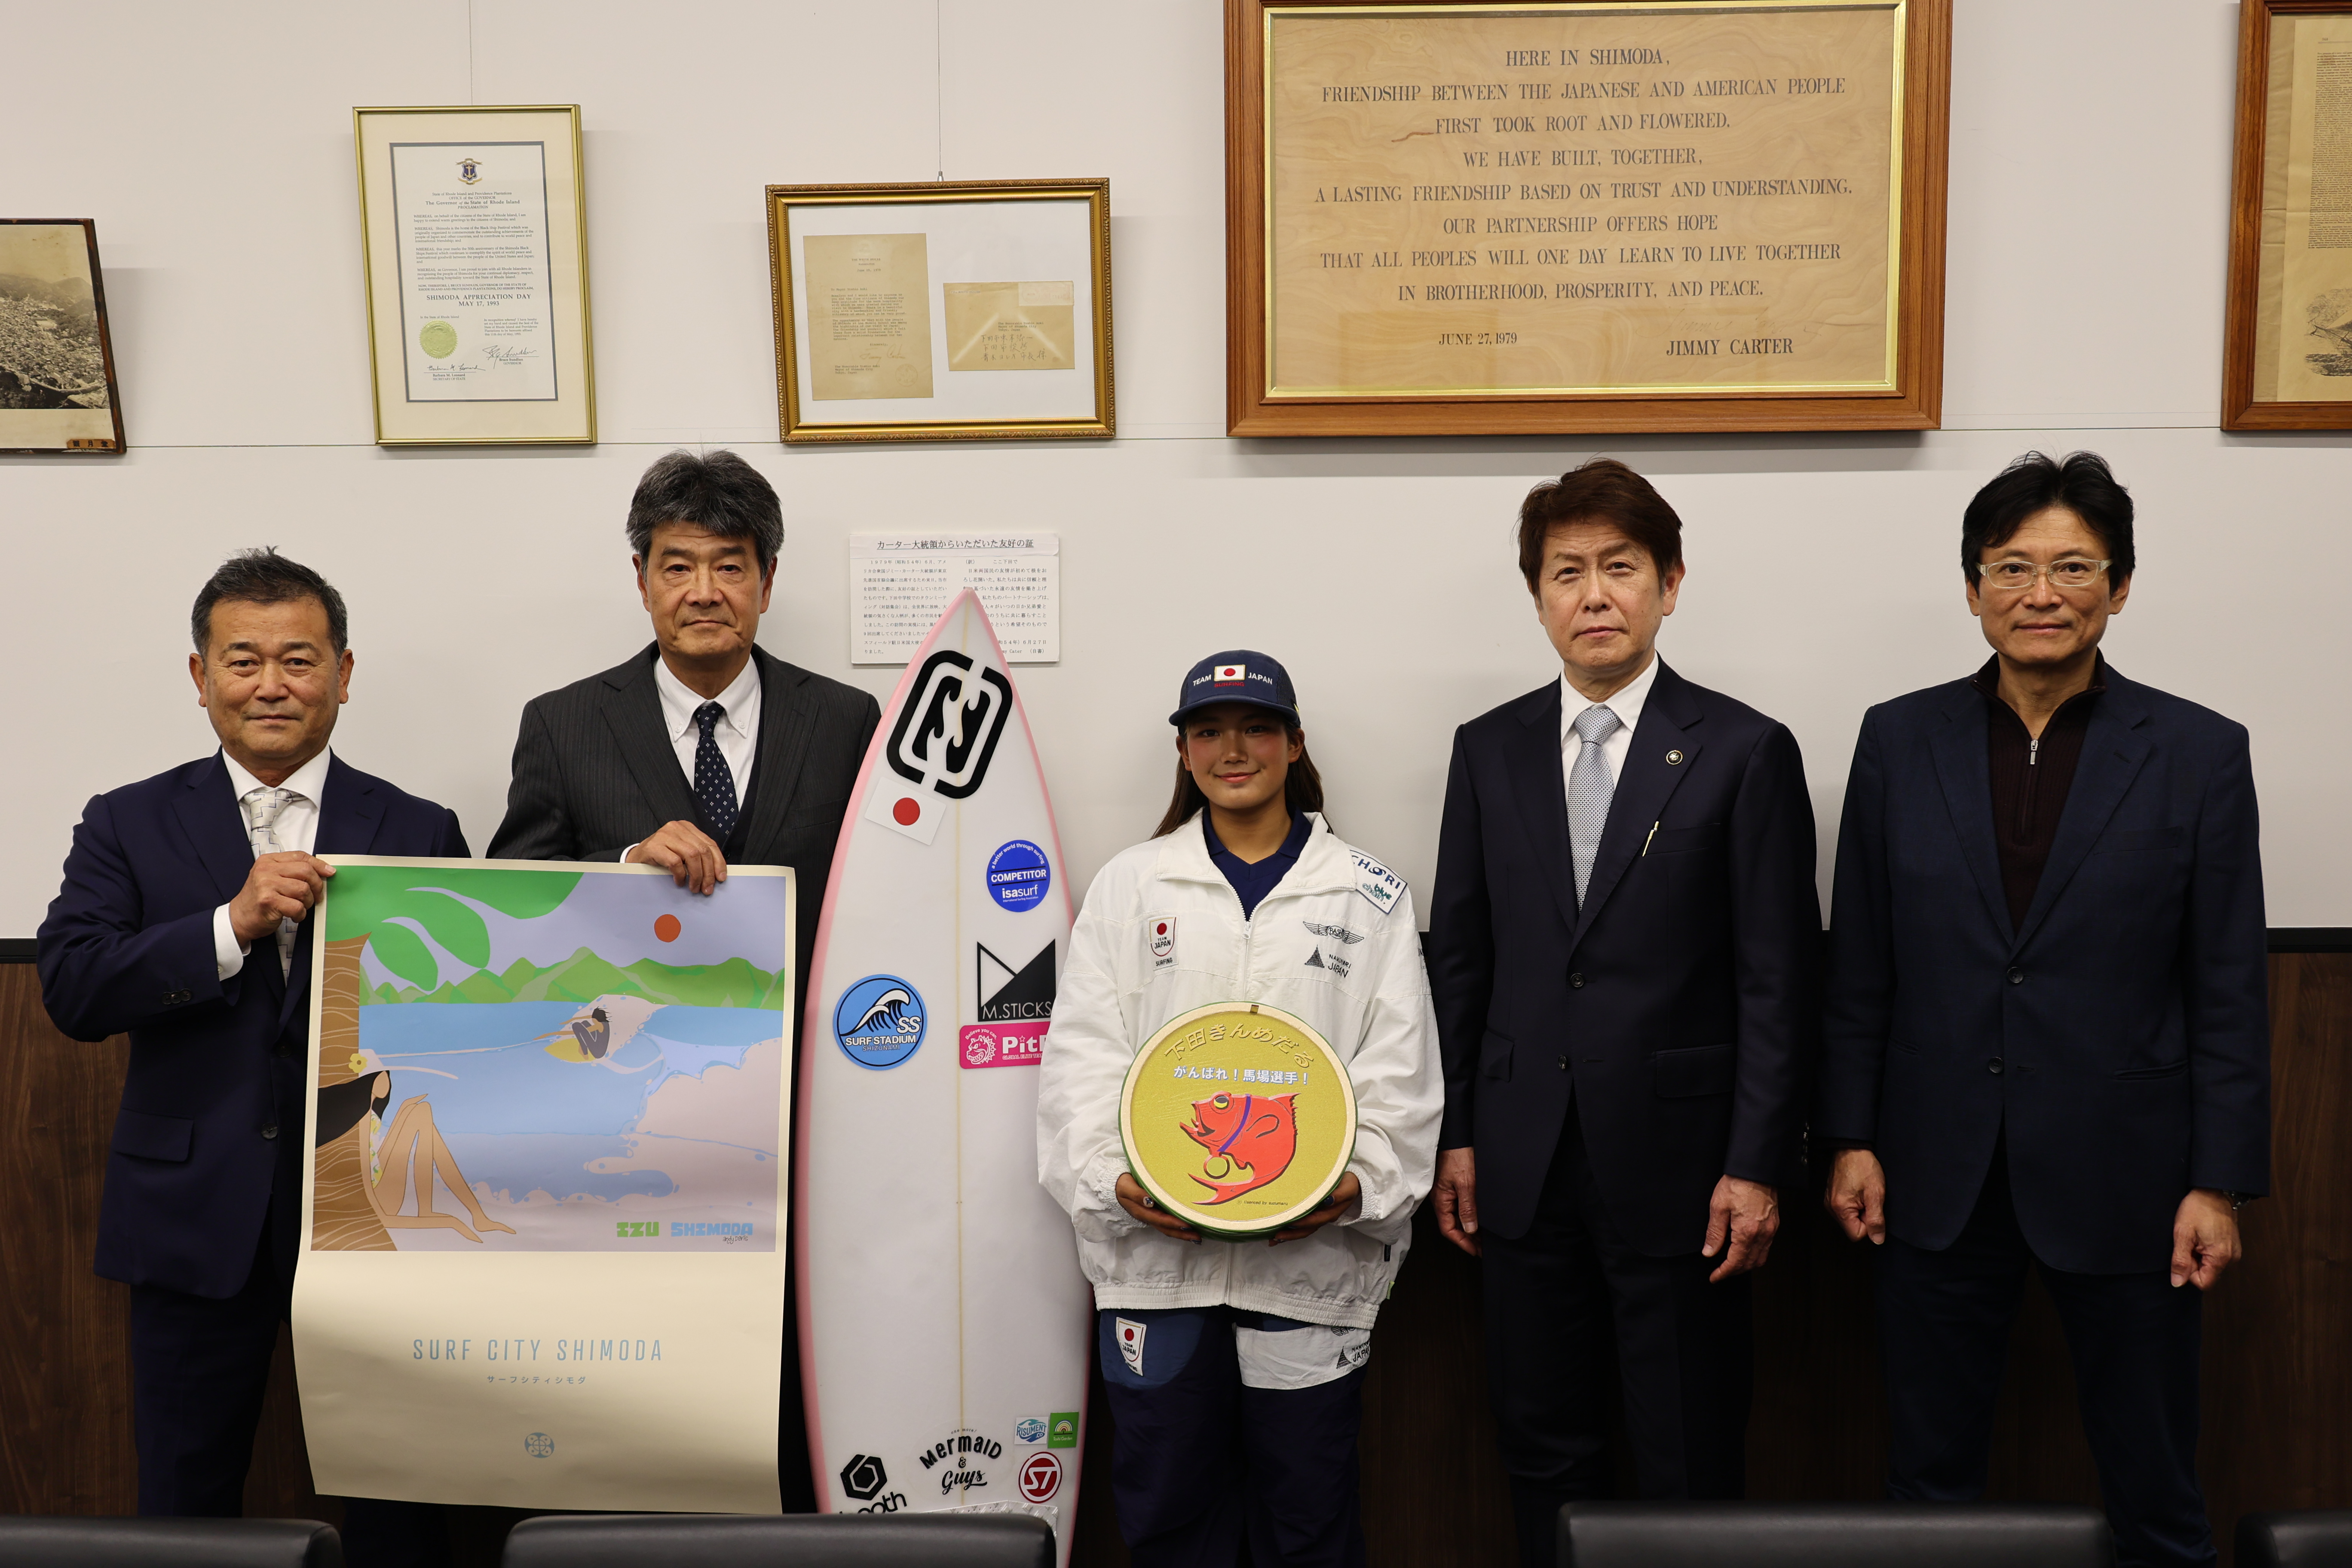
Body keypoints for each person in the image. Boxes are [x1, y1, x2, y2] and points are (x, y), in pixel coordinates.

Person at [1814, 451, 2268, 1568]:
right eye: (2012, 567)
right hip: (1934, 1170)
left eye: (2074, 567)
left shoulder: (2200, 753)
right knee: (1929, 1485)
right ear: (1974, 589)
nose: (2042, 593)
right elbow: (1861, 963)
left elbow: (2226, 984)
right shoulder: (1898, 740)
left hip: (2131, 1176)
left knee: (2155, 1486)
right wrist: (1851, 1137)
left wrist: (2217, 1182)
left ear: (2120, 587)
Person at [1426, 459, 1820, 1565]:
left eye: (1620, 568)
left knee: (1687, 1449)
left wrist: (1756, 1164)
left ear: (1670, 584)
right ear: (1537, 596)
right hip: (1520, 1162)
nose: (1593, 595)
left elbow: (1779, 977)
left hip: (1686, 1170)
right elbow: (1463, 957)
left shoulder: (1744, 749)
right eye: (1567, 573)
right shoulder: (1487, 747)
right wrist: (1458, 1133)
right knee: (1540, 1444)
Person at [37, 549, 466, 1559]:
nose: (272, 684)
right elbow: (74, 987)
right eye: (244, 661)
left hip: (376, 1224)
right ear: (202, 678)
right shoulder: (127, 820)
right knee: (184, 1508)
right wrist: (228, 926)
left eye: (299, 660)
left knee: (402, 1509)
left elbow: (458, 1017)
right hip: (191, 1220)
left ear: (343, 675)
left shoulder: (419, 828)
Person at [487, 447, 876, 1510]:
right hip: (629, 1121)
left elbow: (880, 909)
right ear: (641, 577)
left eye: (730, 565)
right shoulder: (565, 722)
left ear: (768, 579)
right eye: (678, 565)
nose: (705, 591)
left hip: (801, 1120)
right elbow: (514, 907)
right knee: (645, 1388)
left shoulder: (848, 723)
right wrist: (623, 867)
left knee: (788, 1376)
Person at [1037, 651, 1439, 1568]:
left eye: (1258, 728)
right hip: (1157, 1274)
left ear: (1294, 745)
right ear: (1183, 753)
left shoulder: (1367, 894)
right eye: (1209, 731)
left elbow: (1401, 1073)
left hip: (1310, 1276)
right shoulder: (1131, 886)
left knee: (1309, 1520)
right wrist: (1113, 1181)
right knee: (1169, 1517)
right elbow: (1083, 1063)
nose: (1234, 750)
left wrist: (1357, 1185)